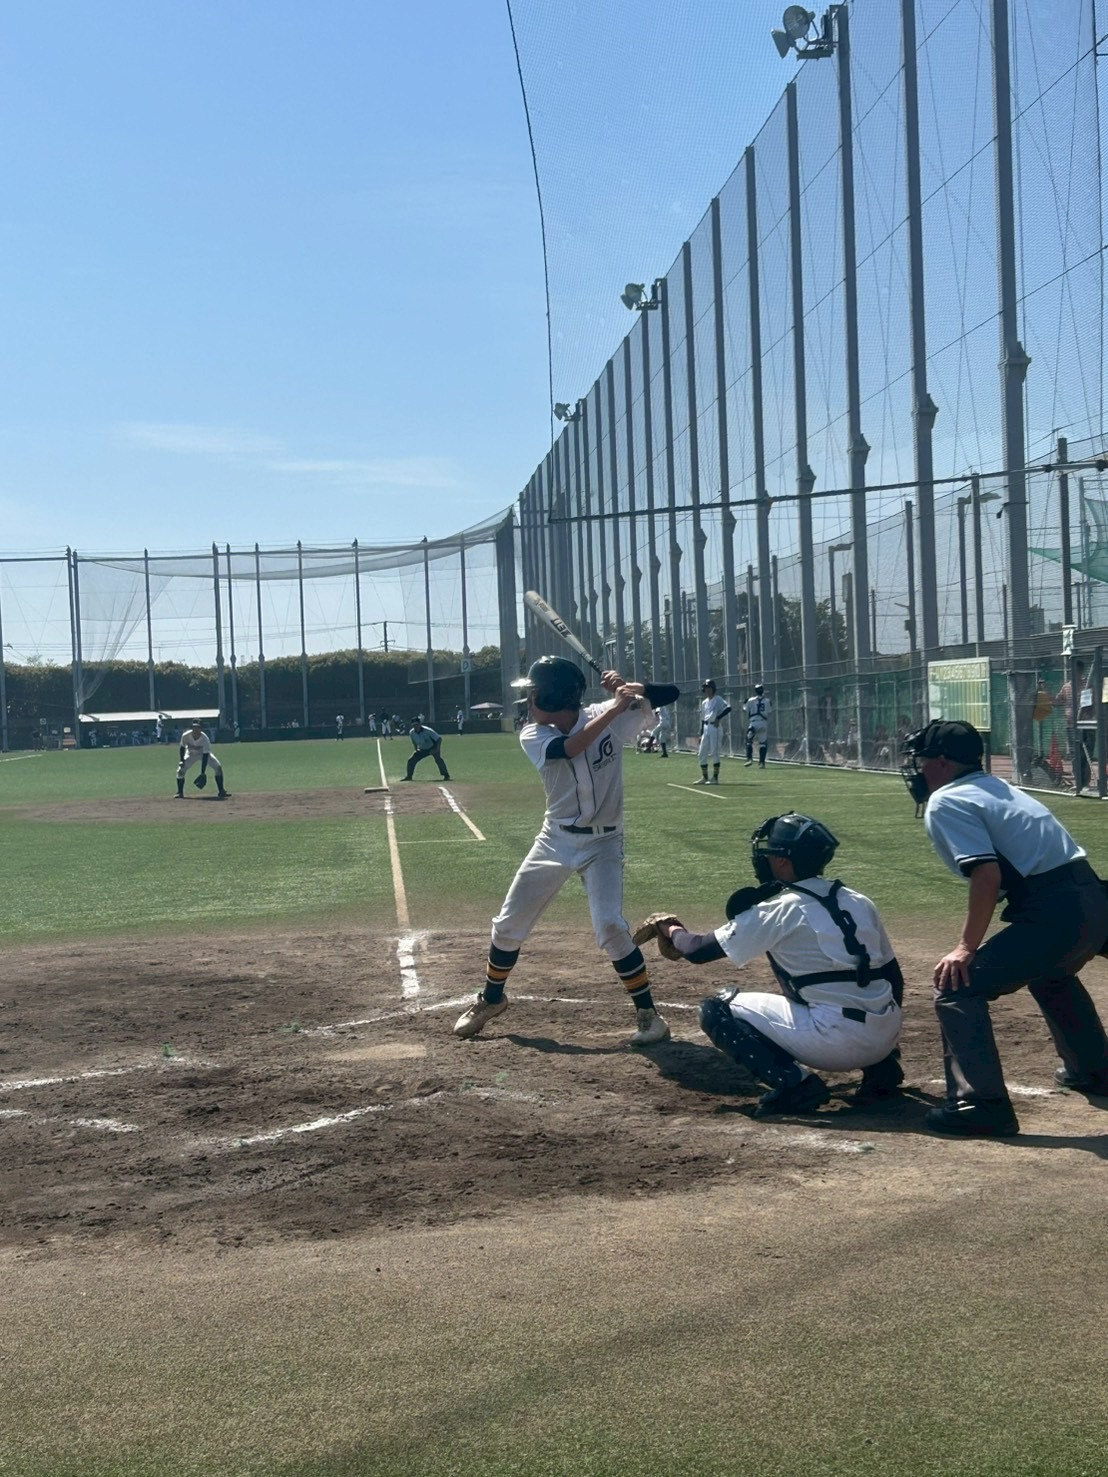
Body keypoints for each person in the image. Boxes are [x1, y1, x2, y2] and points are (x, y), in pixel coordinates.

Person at [454, 656, 681, 1048]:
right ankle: (491, 999)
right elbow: (571, 747)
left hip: (604, 843)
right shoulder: (534, 734)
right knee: (508, 924)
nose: (528, 701)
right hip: (555, 840)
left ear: (555, 697)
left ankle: (649, 1016)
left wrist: (634, 689)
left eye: (534, 694)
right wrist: (615, 708)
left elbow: (672, 693)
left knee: (610, 926)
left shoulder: (608, 714)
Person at [901, 719, 1108, 1136]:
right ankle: (1094, 1071)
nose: (918, 770)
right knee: (1051, 973)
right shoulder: (999, 787)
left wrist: (965, 947)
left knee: (956, 986)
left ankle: (981, 1105)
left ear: (942, 763)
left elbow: (986, 875)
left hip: (1059, 912)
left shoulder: (947, 800)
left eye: (922, 761)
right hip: (1093, 899)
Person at [641, 814, 904, 1116]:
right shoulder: (858, 900)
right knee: (849, 984)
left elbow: (698, 950)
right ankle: (882, 1070)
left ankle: (795, 1085)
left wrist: (670, 928)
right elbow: (894, 978)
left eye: (769, 853)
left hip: (834, 1044)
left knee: (717, 1009)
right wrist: (885, 1045)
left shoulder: (780, 908)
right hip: (885, 1035)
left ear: (782, 861)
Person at [175, 721, 231, 800]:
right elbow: (182, 747)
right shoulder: (186, 736)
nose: (196, 729)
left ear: (201, 728)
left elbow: (205, 755)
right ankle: (180, 792)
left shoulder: (205, 738)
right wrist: (182, 760)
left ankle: (221, 791)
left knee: (218, 767)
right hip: (191, 755)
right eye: (194, 727)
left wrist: (202, 772)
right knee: (180, 771)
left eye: (198, 727)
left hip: (203, 754)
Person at [696, 678, 731, 785]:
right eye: (706, 688)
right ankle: (704, 777)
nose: (707, 689)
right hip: (706, 727)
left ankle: (715, 778)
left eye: (709, 687)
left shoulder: (718, 699)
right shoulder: (704, 702)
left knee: (715, 752)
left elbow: (728, 708)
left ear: (713, 688)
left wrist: (718, 718)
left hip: (715, 727)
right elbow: (703, 719)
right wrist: (701, 733)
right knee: (701, 753)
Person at [743, 683, 771, 768]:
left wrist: (745, 703)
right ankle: (762, 763)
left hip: (754, 722)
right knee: (763, 743)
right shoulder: (767, 701)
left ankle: (749, 759)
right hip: (763, 722)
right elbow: (769, 711)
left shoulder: (751, 700)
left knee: (749, 740)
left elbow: (745, 709)